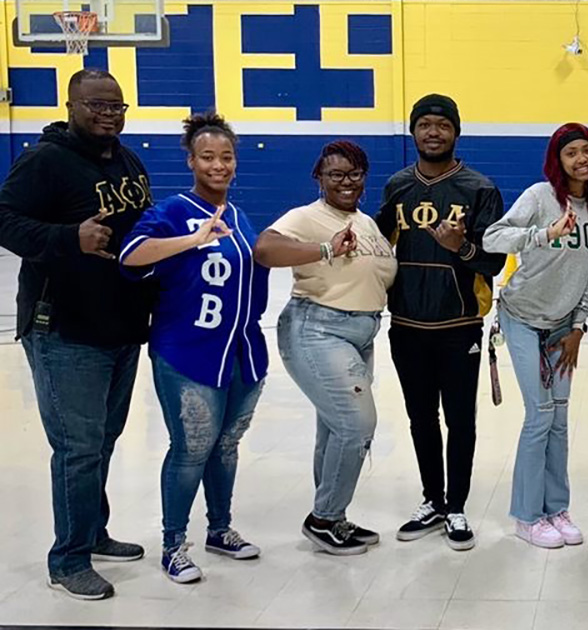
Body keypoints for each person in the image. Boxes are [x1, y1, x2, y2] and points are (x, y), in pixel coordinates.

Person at [0, 68, 153, 600]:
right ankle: (67, 560)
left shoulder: (127, 159)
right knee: (77, 447)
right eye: (97, 105)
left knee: (102, 442)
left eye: (117, 106)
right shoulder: (44, 160)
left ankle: (93, 533)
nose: (108, 114)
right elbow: (4, 220)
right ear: (71, 105)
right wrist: (69, 237)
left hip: (120, 323)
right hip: (63, 328)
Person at [120, 111, 268, 583]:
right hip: (187, 352)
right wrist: (191, 240)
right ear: (191, 161)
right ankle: (172, 545)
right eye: (207, 157)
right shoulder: (172, 212)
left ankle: (220, 529)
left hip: (242, 353)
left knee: (226, 446)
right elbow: (129, 256)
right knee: (191, 449)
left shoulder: (240, 216)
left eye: (226, 157)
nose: (218, 165)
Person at [253, 140, 397, 556]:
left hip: (361, 335)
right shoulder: (308, 217)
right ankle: (323, 517)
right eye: (335, 174)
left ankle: (332, 517)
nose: (346, 182)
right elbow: (265, 249)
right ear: (319, 178)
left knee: (335, 427)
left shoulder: (367, 223)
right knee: (357, 426)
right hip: (317, 329)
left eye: (354, 174)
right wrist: (325, 249)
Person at [377, 94, 506, 551]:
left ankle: (457, 507)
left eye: (442, 125)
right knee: (420, 418)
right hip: (407, 323)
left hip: (459, 325)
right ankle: (432, 499)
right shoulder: (397, 186)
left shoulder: (479, 189)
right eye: (424, 124)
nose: (433, 132)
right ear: (413, 132)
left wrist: (461, 249)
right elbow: (378, 249)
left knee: (460, 420)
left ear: (456, 131)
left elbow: (493, 261)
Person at [482, 123, 588, 549]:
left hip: (563, 328)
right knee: (538, 417)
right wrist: (541, 234)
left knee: (558, 420)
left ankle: (557, 508)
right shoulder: (540, 197)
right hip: (521, 318)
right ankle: (527, 515)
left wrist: (579, 326)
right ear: (558, 160)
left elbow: (585, 272)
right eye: (571, 153)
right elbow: (492, 237)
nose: (581, 159)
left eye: (587, 151)